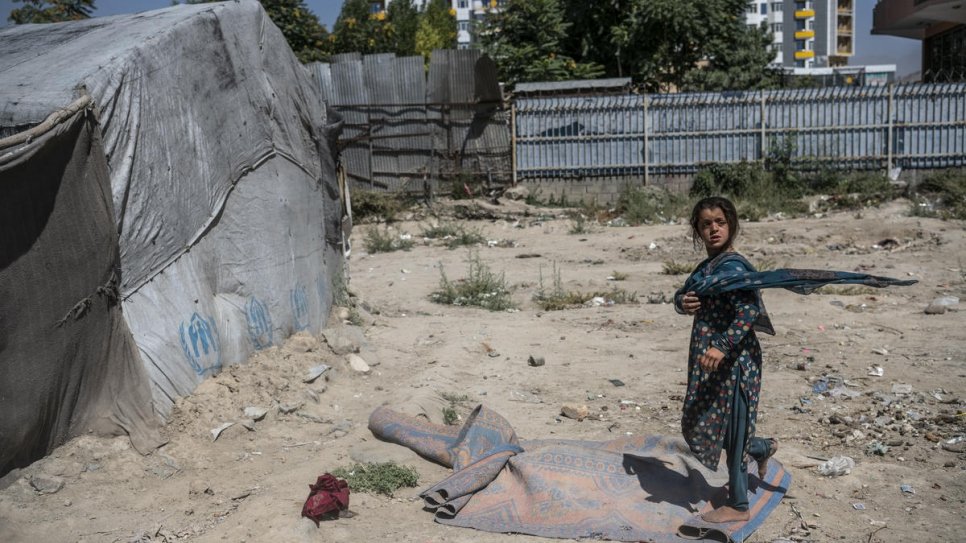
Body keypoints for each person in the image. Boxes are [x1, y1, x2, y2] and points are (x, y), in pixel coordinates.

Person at [673, 196, 778, 523]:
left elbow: (748, 310)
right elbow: (685, 292)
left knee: (734, 427)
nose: (713, 229)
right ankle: (761, 449)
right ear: (698, 230)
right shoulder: (707, 268)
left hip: (736, 361)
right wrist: (683, 302)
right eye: (706, 224)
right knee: (708, 423)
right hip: (711, 364)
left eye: (719, 222)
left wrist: (721, 345)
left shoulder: (734, 267)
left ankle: (738, 504)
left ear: (731, 224)